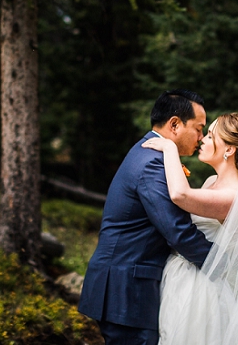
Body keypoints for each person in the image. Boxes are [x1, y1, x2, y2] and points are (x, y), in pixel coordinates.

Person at [78, 89, 213, 345]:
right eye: (198, 128)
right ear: (174, 124)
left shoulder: (149, 153)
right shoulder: (153, 163)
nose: (201, 137)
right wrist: (224, 264)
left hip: (125, 286)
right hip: (126, 290)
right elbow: (177, 231)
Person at [142, 112, 238, 345]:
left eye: (211, 135)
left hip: (199, 288)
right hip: (181, 274)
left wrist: (170, 148)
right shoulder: (210, 183)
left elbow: (180, 195)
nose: (203, 139)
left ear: (229, 149)